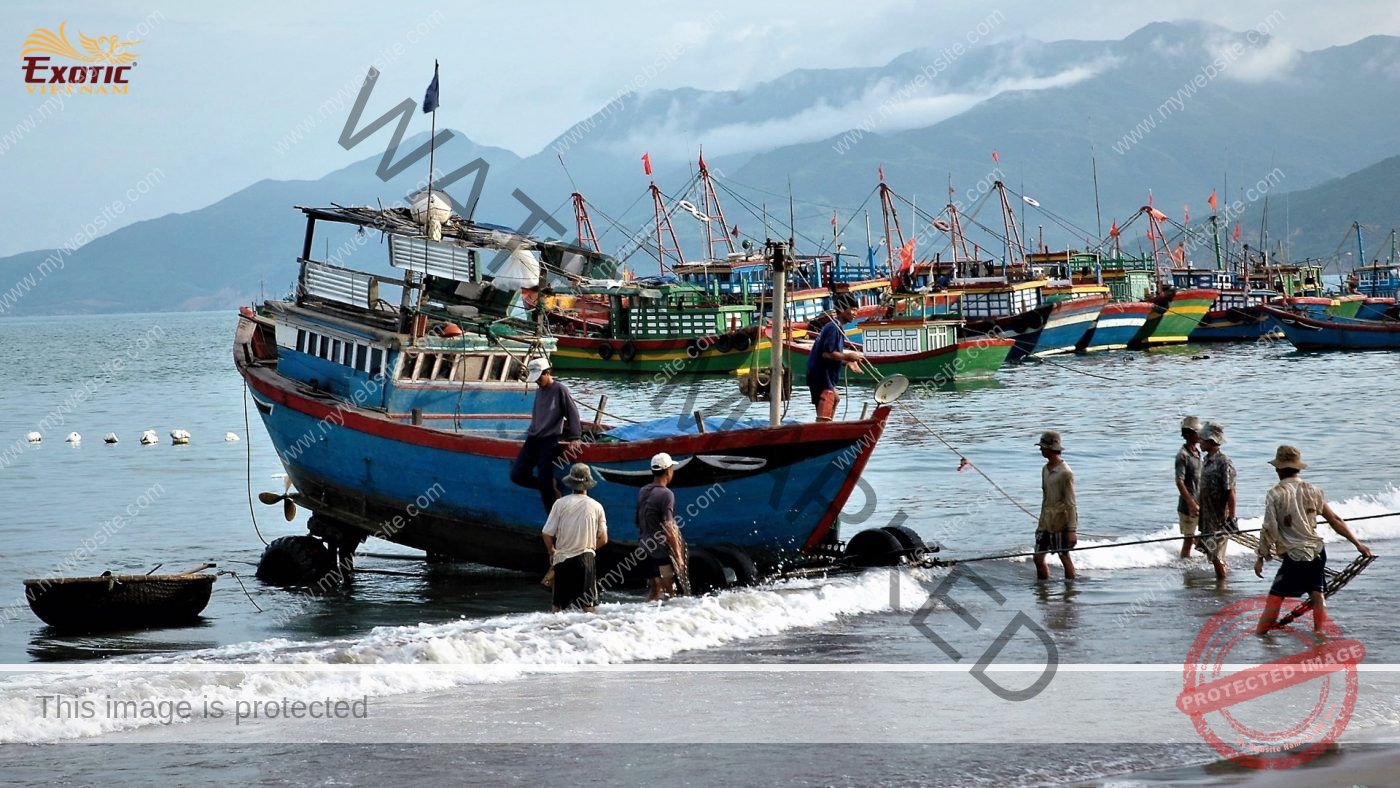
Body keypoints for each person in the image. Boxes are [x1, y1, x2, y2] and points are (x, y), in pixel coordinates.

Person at [1254, 446, 1372, 634]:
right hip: (1317, 552)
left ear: (1278, 469)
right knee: (1317, 594)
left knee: (1275, 597)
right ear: (1297, 468)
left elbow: (1269, 527)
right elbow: (1335, 519)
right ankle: (1319, 633)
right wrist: (1357, 544)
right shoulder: (1313, 491)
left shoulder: (1275, 493)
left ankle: (1260, 634)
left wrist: (1261, 556)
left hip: (1295, 554)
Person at [511, 358, 582, 514]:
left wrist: (574, 437)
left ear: (547, 373)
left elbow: (572, 413)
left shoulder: (560, 389)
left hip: (550, 440)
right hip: (534, 438)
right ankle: (550, 484)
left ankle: (552, 517)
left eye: (539, 378)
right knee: (517, 475)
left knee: (544, 481)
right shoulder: (539, 390)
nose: (537, 382)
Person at [541, 463, 608, 612]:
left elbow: (546, 534)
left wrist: (552, 551)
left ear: (571, 483)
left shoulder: (560, 504)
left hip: (563, 560)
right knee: (587, 607)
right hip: (586, 559)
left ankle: (554, 634)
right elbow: (604, 539)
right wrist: (588, 547)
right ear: (588, 484)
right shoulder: (596, 506)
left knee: (557, 608)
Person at [806, 294, 864, 422]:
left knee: (835, 399)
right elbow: (827, 353)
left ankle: (826, 426)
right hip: (820, 373)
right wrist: (849, 356)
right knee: (828, 398)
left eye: (856, 310)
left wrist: (847, 361)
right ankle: (822, 428)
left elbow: (833, 354)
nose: (855, 313)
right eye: (853, 309)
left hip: (821, 372)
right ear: (843, 309)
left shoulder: (836, 327)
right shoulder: (833, 328)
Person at [636, 452, 686, 601]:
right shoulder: (666, 494)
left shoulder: (643, 491)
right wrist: (678, 555)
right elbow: (668, 526)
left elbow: (639, 520)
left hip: (643, 548)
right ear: (668, 471)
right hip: (660, 553)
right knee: (671, 592)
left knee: (655, 590)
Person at [1034, 430, 1077, 580]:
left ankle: (1070, 591)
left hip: (1060, 522)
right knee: (1037, 558)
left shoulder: (1066, 473)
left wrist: (1072, 530)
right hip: (1045, 521)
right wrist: (1040, 522)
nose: (1040, 449)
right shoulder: (1045, 469)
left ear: (1050, 449)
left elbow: (1071, 503)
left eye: (1043, 447)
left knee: (1064, 557)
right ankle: (1043, 590)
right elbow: (1045, 498)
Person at [1196, 422, 1234, 580]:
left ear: (1211, 442)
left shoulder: (1223, 462)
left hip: (1219, 518)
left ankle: (1222, 586)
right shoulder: (1207, 460)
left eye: (1203, 440)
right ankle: (1222, 576)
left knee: (1216, 556)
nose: (1200, 442)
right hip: (1207, 515)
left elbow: (1230, 491)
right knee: (1210, 553)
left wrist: (1232, 517)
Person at [1175, 416, 1204, 559]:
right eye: (1196, 433)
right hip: (1188, 505)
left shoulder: (1197, 453)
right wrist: (1191, 503)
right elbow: (1179, 482)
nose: (1199, 435)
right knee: (1188, 539)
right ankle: (1184, 565)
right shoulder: (1183, 455)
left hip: (1200, 503)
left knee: (1203, 534)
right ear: (1187, 434)